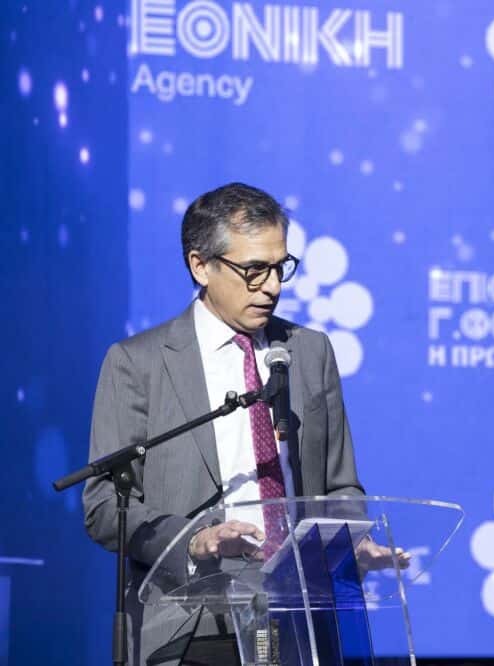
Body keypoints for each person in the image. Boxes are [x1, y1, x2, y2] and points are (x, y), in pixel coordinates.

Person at [82, 183, 402, 665]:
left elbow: (340, 485)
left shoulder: (310, 352)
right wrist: (194, 540)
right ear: (200, 266)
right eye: (253, 270)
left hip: (299, 618)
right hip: (191, 623)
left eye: (280, 267)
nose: (271, 287)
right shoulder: (139, 363)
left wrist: (348, 541)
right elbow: (106, 506)